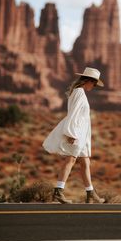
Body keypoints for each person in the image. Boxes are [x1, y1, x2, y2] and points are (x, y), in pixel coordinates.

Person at [42, 67, 105, 204]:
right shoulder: (79, 92)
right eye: (93, 83)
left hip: (82, 135)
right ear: (87, 80)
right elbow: (73, 114)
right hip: (76, 133)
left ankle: (90, 194)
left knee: (85, 162)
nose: (94, 86)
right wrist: (71, 133)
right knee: (70, 160)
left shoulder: (80, 92)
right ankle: (58, 191)